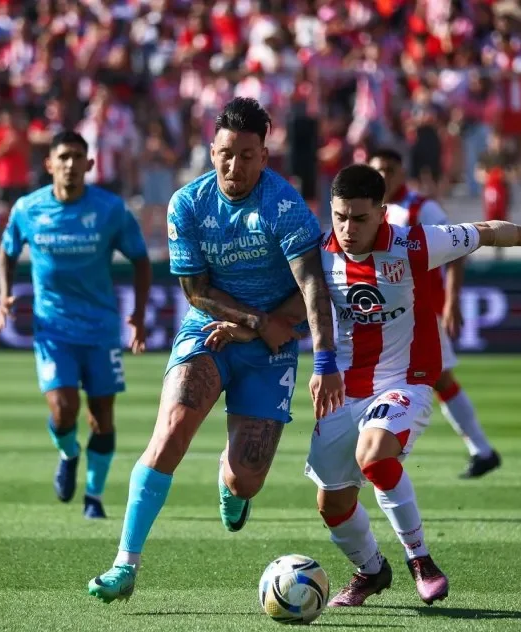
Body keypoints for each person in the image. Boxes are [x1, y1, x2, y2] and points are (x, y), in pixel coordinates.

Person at [205, 164, 521, 607]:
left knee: (374, 455)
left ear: (382, 212)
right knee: (332, 505)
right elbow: (293, 311)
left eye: (360, 218)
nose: (348, 229)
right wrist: (246, 328)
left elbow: (488, 231)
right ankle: (371, 571)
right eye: (340, 217)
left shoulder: (415, 244)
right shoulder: (319, 255)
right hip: (343, 390)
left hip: (406, 380)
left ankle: (420, 559)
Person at [87, 97, 344, 603]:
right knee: (171, 431)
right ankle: (124, 565)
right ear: (212, 152)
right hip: (210, 331)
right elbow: (196, 291)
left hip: (270, 345)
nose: (235, 166)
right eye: (226, 154)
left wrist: (323, 359)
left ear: (264, 156)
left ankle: (230, 485)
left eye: (247, 156)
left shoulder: (285, 206)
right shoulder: (188, 203)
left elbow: (313, 286)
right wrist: (253, 323)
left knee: (247, 479)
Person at [0, 130, 153, 519]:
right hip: (53, 329)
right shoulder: (28, 208)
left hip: (101, 329)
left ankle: (93, 497)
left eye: (77, 157)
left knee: (102, 416)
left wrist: (138, 314)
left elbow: (141, 259)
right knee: (63, 409)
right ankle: (68, 453)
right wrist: (4, 294)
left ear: (90, 164)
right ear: (49, 164)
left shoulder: (110, 209)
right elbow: (6, 251)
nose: (70, 164)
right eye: (63, 157)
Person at [369, 149, 501, 478]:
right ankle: (482, 451)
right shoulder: (371, 210)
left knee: (434, 378)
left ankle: (480, 450)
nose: (384, 176)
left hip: (421, 311)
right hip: (391, 314)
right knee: (436, 379)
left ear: (402, 172)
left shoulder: (420, 207)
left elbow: (458, 249)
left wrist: (452, 301)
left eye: (390, 169)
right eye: (378, 170)